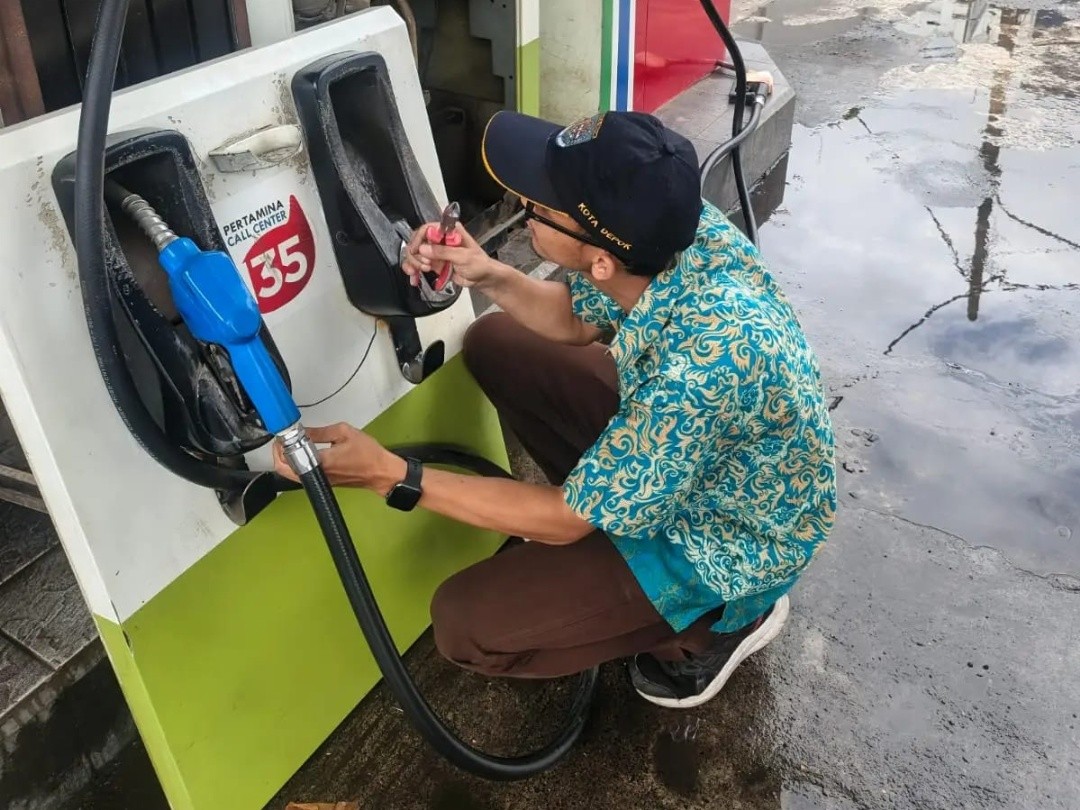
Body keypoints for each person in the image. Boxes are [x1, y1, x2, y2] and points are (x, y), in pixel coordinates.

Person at [274, 110, 836, 708]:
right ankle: (610, 542)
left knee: (463, 622)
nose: (521, 199)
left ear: (601, 260)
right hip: (698, 458)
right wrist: (485, 271)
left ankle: (713, 628)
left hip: (730, 536)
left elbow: (568, 518)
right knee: (496, 344)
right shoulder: (679, 227)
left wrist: (391, 475)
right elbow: (571, 319)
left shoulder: (700, 372)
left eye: (539, 204)